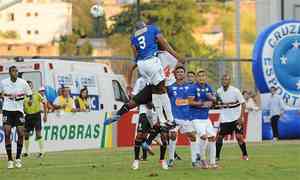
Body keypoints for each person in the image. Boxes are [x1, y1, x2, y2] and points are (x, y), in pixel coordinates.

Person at [129, 20, 182, 131]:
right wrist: (177, 55)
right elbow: (164, 43)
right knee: (161, 90)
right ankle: (169, 120)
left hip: (142, 65)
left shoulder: (134, 37)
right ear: (145, 26)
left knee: (155, 91)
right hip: (151, 62)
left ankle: (163, 121)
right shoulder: (152, 28)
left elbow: (135, 54)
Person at [0, 66, 32, 169]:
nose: (15, 73)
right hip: (7, 110)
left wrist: (30, 100)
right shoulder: (4, 82)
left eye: (16, 71)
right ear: (9, 73)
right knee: (7, 132)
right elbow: (1, 94)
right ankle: (10, 160)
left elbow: (30, 94)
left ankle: (18, 159)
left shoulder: (23, 82)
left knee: (20, 133)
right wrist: (3, 96)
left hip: (19, 111)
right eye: (13, 71)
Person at [167, 66, 198, 168]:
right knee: (172, 135)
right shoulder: (170, 88)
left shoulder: (190, 87)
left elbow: (193, 101)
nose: (180, 73)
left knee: (193, 137)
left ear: (184, 74)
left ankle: (194, 160)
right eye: (178, 72)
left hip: (186, 117)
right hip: (174, 117)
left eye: (182, 72)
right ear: (175, 75)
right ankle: (171, 159)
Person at [215, 74, 249, 161]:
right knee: (219, 137)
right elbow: (217, 103)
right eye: (223, 80)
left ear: (229, 81)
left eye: (226, 80)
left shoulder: (235, 91)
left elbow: (243, 104)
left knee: (239, 137)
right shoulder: (218, 91)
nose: (224, 81)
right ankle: (217, 156)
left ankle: (245, 155)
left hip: (236, 118)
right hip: (225, 119)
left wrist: (241, 117)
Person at [188, 69, 217, 169]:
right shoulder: (193, 88)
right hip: (195, 117)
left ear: (206, 77)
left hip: (205, 117)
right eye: (199, 76)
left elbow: (214, 100)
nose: (201, 78)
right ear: (197, 78)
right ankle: (203, 160)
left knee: (213, 138)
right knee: (203, 137)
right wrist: (201, 103)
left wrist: (212, 100)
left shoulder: (208, 87)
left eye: (203, 76)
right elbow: (190, 102)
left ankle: (213, 163)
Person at [23, 81, 48, 158]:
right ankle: (27, 152)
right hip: (27, 116)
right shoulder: (23, 96)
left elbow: (44, 103)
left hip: (36, 115)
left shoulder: (37, 95)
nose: (29, 87)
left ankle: (41, 152)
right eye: (28, 85)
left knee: (38, 134)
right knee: (26, 134)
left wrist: (45, 115)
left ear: (32, 86)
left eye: (30, 85)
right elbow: (22, 106)